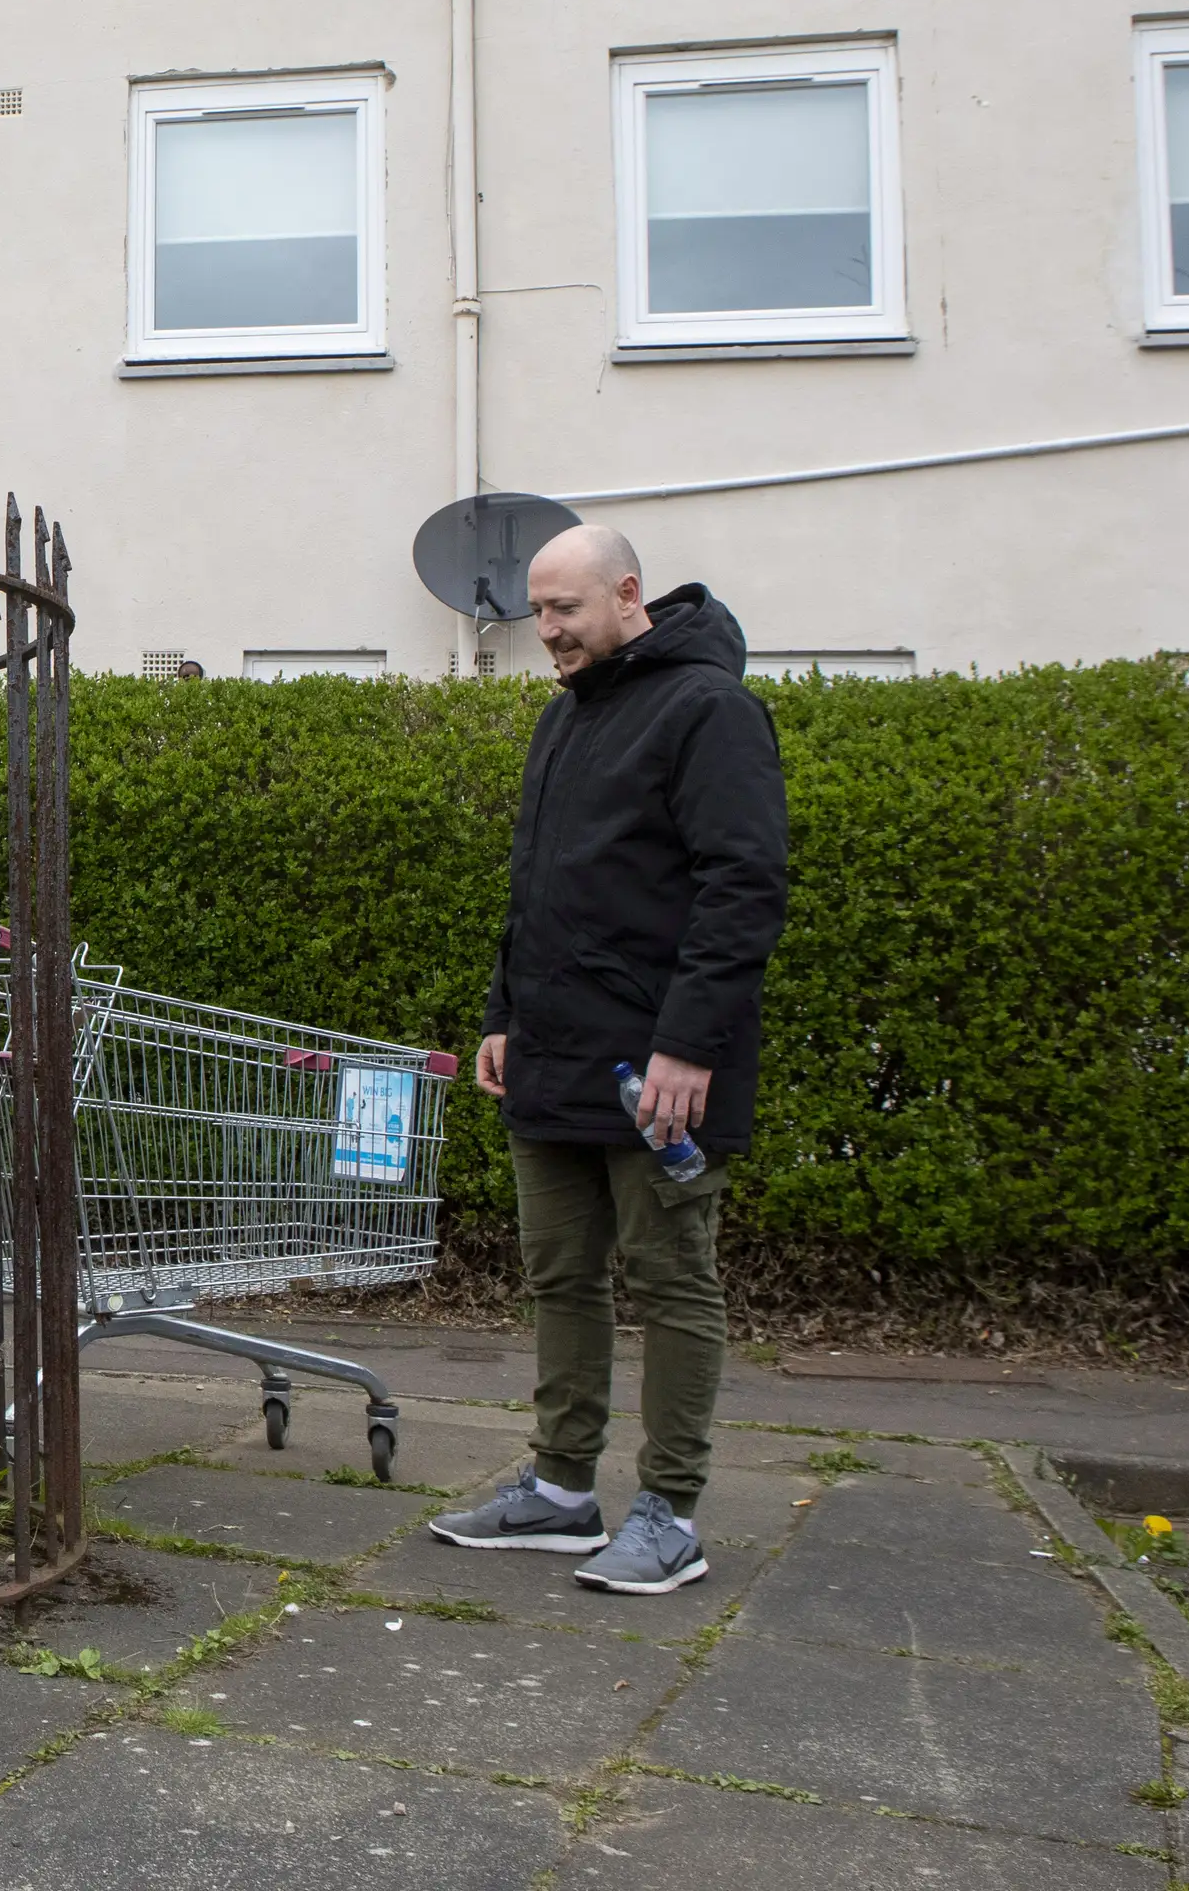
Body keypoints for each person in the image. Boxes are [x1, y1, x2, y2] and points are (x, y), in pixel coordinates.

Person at [432, 524, 787, 1595]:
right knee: (561, 1277)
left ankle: (670, 1511)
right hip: (553, 1060)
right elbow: (536, 887)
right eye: (536, 613)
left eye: (562, 611)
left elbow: (744, 888)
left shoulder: (710, 711)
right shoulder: (564, 718)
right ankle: (561, 1491)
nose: (545, 632)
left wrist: (688, 1044)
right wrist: (503, 1017)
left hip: (659, 1073)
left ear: (627, 595)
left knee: (673, 1283)